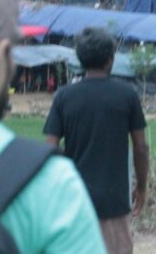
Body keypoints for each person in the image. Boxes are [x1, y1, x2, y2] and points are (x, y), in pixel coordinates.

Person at [0, 0, 106, 253]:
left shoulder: (64, 96)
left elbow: (51, 137)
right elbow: (140, 144)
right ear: (2, 59)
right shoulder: (49, 186)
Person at [44, 28, 150, 254]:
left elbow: (49, 148)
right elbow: (140, 147)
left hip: (75, 201)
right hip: (115, 201)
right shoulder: (126, 95)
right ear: (110, 60)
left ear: (81, 60)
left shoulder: (63, 96)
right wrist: (141, 187)